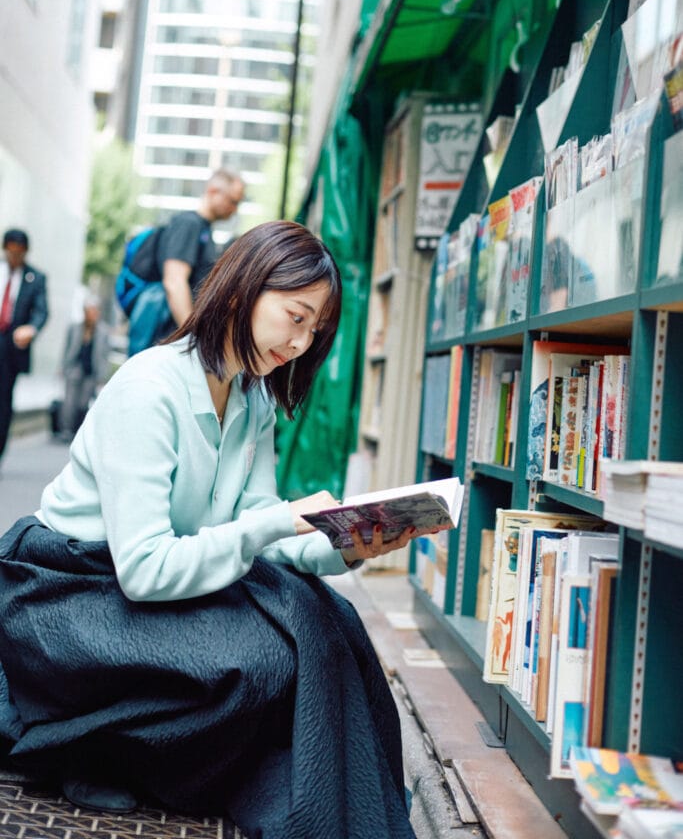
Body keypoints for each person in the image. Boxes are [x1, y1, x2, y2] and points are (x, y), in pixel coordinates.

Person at [0, 221, 436, 839]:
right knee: (255, 657)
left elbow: (257, 521)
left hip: (144, 577)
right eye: (296, 316)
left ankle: (295, 795)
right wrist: (276, 519)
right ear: (244, 287)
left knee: (324, 618)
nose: (301, 344)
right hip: (68, 590)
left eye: (316, 330)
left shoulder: (252, 399)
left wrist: (345, 545)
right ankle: (85, 742)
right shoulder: (149, 388)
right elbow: (148, 569)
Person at [128, 167, 245, 356]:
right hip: (165, 339)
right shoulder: (189, 224)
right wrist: (192, 338)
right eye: (233, 201)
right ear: (213, 191)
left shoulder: (203, 229)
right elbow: (174, 282)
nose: (235, 209)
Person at [0, 228, 48, 464]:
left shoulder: (35, 278)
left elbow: (42, 311)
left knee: (3, 403)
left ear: (26, 252)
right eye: (10, 252)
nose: (14, 257)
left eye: (19, 253)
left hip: (10, 349)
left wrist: (31, 328)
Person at [58, 294, 110, 441]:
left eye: (94, 310)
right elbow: (66, 348)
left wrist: (102, 375)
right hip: (74, 368)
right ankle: (66, 430)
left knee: (83, 403)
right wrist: (62, 367)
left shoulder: (103, 331)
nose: (92, 314)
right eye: (89, 310)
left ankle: (78, 431)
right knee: (69, 401)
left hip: (91, 371)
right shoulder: (74, 328)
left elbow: (105, 355)